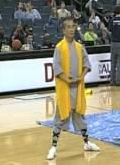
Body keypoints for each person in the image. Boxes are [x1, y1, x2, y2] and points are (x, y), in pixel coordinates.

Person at [46, 17, 100, 160]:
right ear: (63, 30)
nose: (71, 29)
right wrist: (67, 79)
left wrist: (81, 77)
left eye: (73, 26)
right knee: (60, 117)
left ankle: (87, 143)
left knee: (79, 116)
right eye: (68, 27)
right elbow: (56, 67)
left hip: (78, 87)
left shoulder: (79, 47)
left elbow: (87, 64)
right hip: (65, 88)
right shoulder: (59, 47)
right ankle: (53, 147)